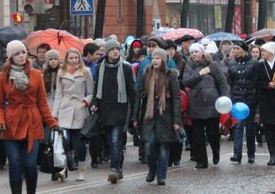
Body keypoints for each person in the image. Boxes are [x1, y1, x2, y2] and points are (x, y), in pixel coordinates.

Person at [0, 40, 58, 194]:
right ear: (10, 57)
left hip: (32, 122)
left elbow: (42, 102)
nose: (22, 56)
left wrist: (51, 122)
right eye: (17, 53)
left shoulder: (36, 74)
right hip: (11, 124)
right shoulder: (3, 76)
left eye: (23, 52)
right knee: (15, 165)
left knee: (30, 165)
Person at [133, 49, 181, 185]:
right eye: (153, 58)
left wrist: (177, 120)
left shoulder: (171, 76)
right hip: (148, 115)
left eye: (158, 58)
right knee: (149, 145)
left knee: (163, 146)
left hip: (165, 114)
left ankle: (161, 176)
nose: (155, 60)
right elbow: (139, 95)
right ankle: (152, 169)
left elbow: (177, 98)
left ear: (163, 60)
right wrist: (135, 117)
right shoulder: (146, 74)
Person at [91, 40, 135, 184]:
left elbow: (132, 92)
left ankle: (114, 169)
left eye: (118, 49)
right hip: (104, 111)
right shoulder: (99, 68)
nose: (116, 51)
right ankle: (119, 166)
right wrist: (94, 103)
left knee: (116, 141)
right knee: (111, 143)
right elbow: (96, 89)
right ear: (107, 52)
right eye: (112, 49)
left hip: (120, 111)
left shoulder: (126, 69)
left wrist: (135, 114)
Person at [182, 42, 230, 169]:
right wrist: (199, 74)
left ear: (202, 52)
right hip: (196, 105)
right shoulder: (189, 66)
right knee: (197, 135)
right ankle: (201, 160)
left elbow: (222, 83)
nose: (194, 54)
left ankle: (215, 151)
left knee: (212, 133)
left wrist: (225, 98)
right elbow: (186, 82)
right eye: (192, 52)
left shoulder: (212, 65)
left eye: (196, 51)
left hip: (212, 105)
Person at [51, 48, 94, 182]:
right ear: (67, 59)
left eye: (76, 57)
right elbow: (58, 94)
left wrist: (86, 101)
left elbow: (91, 91)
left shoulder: (86, 71)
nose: (74, 60)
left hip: (79, 108)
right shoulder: (61, 72)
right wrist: (54, 114)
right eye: (71, 58)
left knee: (78, 142)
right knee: (64, 140)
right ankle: (64, 167)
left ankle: (80, 169)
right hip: (65, 108)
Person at [227, 43, 258, 163]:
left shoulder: (254, 63)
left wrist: (255, 97)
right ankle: (237, 153)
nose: (235, 51)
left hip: (250, 98)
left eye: (237, 49)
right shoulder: (231, 63)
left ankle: (251, 153)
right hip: (237, 98)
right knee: (238, 126)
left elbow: (256, 81)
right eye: (233, 49)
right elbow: (229, 81)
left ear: (244, 50)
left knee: (250, 127)